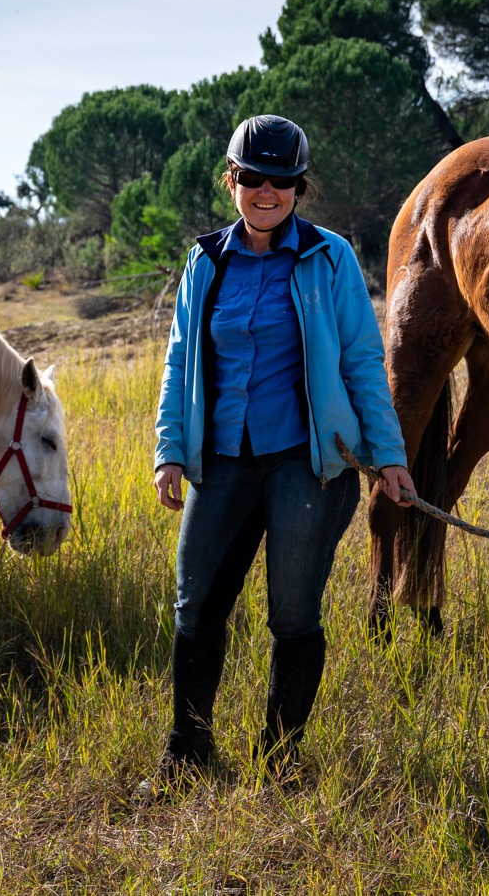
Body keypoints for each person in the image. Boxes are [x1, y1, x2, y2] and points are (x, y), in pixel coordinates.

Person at [152, 114, 418, 776]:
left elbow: (362, 361)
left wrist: (389, 456)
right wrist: (169, 450)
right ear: (232, 181)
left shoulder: (330, 258)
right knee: (196, 605)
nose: (266, 191)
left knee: (293, 613)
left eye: (282, 180)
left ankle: (279, 756)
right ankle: (187, 753)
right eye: (253, 177)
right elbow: (180, 358)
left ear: (300, 187)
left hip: (308, 465)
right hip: (222, 462)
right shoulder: (205, 261)